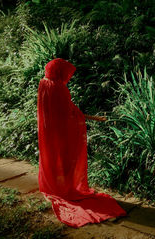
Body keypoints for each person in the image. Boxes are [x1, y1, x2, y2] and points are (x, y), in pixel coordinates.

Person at [37, 58, 126, 228]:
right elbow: (70, 113)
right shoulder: (59, 88)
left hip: (49, 132)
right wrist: (91, 118)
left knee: (52, 158)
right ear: (60, 72)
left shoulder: (44, 83)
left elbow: (61, 111)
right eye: (67, 74)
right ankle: (65, 189)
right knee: (66, 159)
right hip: (63, 132)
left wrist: (92, 117)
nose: (68, 78)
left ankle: (54, 186)